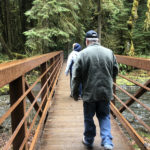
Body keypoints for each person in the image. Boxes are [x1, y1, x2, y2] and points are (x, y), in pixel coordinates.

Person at [72, 30, 118, 150]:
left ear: (87, 41)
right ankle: (107, 142)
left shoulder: (82, 54)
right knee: (104, 116)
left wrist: (75, 93)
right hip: (105, 92)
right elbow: (115, 70)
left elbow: (75, 76)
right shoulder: (109, 52)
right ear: (97, 40)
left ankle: (88, 140)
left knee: (88, 117)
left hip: (89, 93)